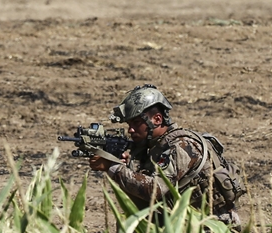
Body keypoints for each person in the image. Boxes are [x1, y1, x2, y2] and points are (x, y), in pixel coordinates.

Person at [89, 84, 243, 224]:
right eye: (129, 124)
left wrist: (113, 168)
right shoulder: (156, 146)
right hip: (190, 222)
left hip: (211, 229)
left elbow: (155, 190)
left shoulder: (181, 146)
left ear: (157, 119)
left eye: (136, 123)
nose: (130, 130)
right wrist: (128, 166)